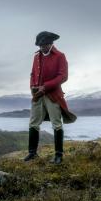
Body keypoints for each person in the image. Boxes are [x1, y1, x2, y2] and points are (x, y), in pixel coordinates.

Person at [24, 31, 77, 164]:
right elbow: (32, 73)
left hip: (53, 94)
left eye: (44, 44)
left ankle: (59, 155)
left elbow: (63, 76)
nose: (42, 47)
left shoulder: (60, 56)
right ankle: (32, 153)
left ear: (51, 43)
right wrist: (32, 87)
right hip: (37, 94)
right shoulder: (36, 57)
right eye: (40, 45)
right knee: (33, 123)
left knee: (56, 124)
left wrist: (46, 86)